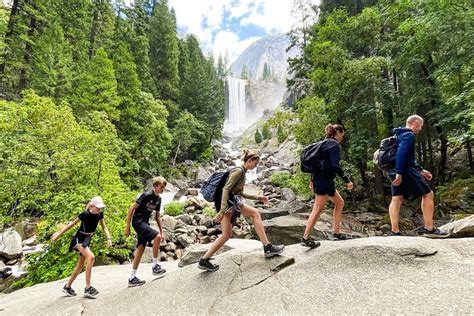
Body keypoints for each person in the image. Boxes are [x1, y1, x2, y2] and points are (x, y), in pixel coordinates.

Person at [198, 149, 285, 272]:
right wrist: (222, 210)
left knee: (227, 234)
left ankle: (204, 260)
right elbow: (226, 189)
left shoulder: (242, 172)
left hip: (230, 201)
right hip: (227, 202)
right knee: (255, 214)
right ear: (249, 160)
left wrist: (258, 197)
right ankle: (268, 247)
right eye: (255, 163)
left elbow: (240, 193)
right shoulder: (239, 171)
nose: (256, 166)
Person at [388, 115, 449, 238]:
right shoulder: (408, 135)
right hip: (404, 171)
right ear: (415, 123)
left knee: (397, 198)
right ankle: (429, 229)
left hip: (393, 171)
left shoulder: (398, 134)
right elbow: (401, 153)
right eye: (420, 126)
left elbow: (407, 157)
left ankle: (395, 231)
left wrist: (421, 170)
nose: (420, 129)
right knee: (427, 194)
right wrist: (400, 172)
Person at [301, 124, 353, 248]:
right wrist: (347, 180)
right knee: (317, 208)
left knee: (339, 203)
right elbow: (335, 165)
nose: (342, 137)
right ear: (338, 132)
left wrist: (312, 180)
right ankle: (305, 237)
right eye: (342, 134)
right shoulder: (334, 145)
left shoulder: (324, 143)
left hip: (323, 179)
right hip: (324, 180)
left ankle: (336, 233)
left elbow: (317, 164)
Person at [51, 196, 112, 298]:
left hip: (87, 240)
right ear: (92, 206)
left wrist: (108, 238)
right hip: (79, 239)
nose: (99, 209)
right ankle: (88, 288)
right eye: (97, 207)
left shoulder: (100, 214)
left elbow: (104, 226)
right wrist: (58, 235)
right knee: (91, 257)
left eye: (100, 207)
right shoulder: (84, 215)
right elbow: (71, 225)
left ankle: (67, 286)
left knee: (80, 266)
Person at [125, 176, 167, 287]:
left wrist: (162, 232)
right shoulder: (146, 195)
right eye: (161, 187)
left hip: (145, 223)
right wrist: (127, 227)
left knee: (140, 249)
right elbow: (131, 208)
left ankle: (132, 278)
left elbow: (157, 217)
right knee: (156, 237)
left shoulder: (159, 199)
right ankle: (155, 266)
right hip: (138, 221)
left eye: (164, 187)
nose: (162, 189)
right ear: (155, 186)